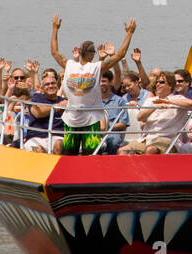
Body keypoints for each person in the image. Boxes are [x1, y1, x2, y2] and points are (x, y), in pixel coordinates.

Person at [49, 15, 136, 155]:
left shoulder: (95, 67)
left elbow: (54, 52)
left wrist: (55, 29)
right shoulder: (71, 64)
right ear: (91, 54)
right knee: (69, 152)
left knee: (92, 152)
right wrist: (129, 33)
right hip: (72, 119)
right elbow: (54, 52)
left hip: (91, 120)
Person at [125, 73, 192, 154]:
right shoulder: (151, 101)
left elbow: (190, 103)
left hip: (167, 140)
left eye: (161, 82)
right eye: (157, 82)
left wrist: (168, 101)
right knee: (123, 150)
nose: (158, 84)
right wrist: (155, 107)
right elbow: (140, 117)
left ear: (170, 86)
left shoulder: (178, 99)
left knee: (150, 150)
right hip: (147, 139)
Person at [26, 67, 67, 151]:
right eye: (47, 84)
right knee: (38, 150)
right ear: (42, 87)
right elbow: (38, 113)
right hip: (37, 137)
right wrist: (58, 106)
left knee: (59, 145)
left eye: (53, 83)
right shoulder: (36, 98)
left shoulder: (64, 101)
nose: (50, 86)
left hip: (57, 137)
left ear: (57, 85)